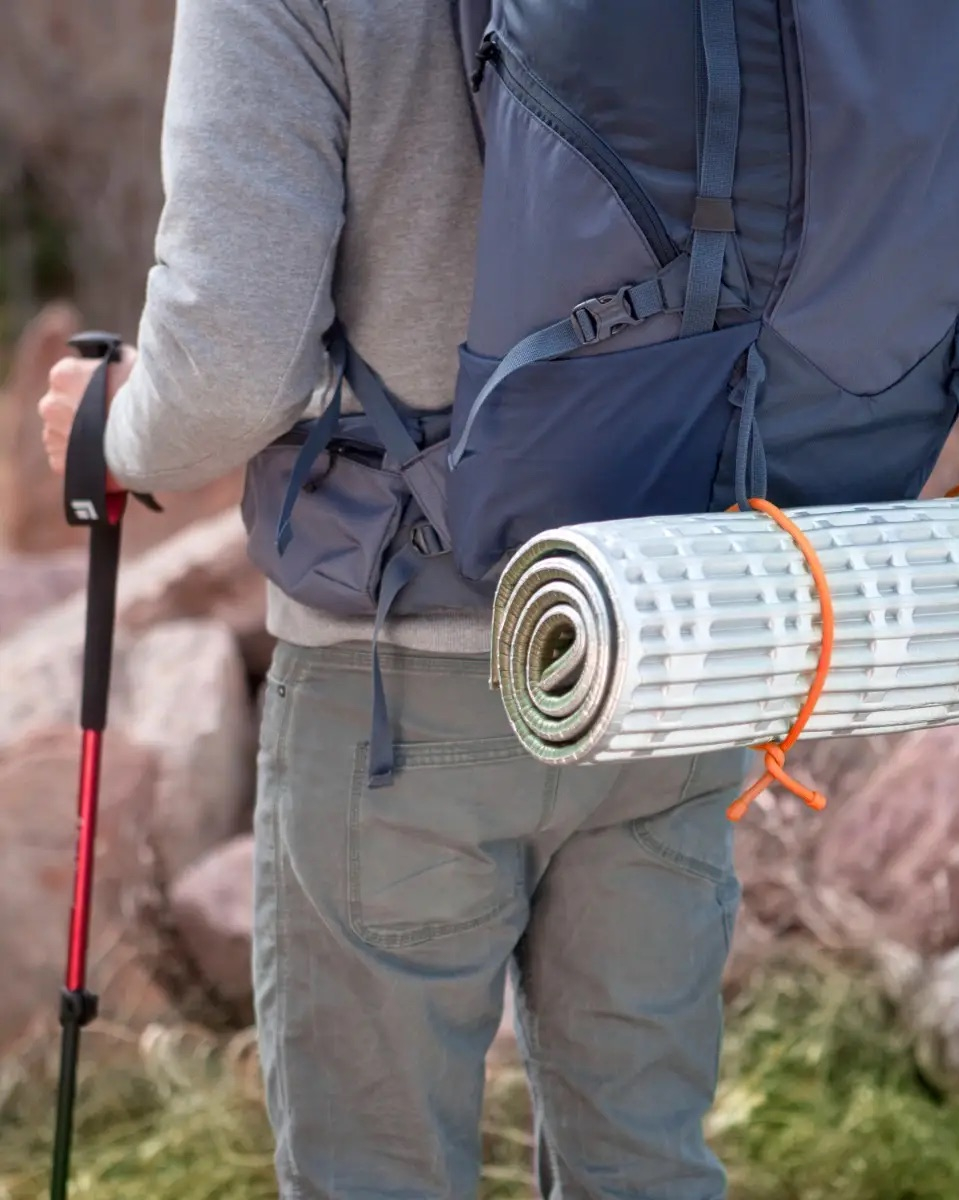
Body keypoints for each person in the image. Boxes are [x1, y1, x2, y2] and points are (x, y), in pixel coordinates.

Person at [37, 2, 749, 1196]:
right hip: (662, 632)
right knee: (644, 1165)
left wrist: (118, 430)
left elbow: (229, 365)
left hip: (401, 677)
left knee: (376, 1173)